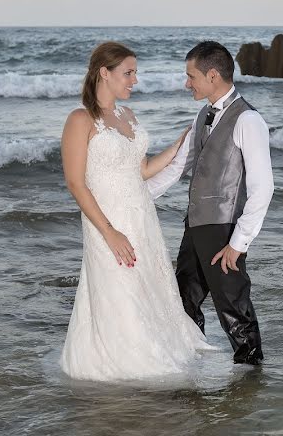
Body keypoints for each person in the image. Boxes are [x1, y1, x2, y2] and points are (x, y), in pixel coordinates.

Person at [58, 41, 210, 382]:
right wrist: (109, 232)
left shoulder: (128, 116)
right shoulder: (81, 120)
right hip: (107, 224)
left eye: (135, 73)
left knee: (147, 286)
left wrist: (178, 146)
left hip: (141, 218)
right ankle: (120, 365)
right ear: (104, 73)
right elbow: (75, 183)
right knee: (119, 290)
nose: (134, 80)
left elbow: (140, 170)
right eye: (128, 73)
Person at [147, 41, 274, 366]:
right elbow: (178, 167)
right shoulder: (203, 113)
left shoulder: (248, 120)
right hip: (196, 227)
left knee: (232, 307)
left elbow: (263, 189)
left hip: (224, 232)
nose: (187, 83)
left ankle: (251, 380)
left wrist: (238, 243)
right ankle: (191, 369)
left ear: (213, 75)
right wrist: (135, 197)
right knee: (183, 300)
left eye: (191, 76)